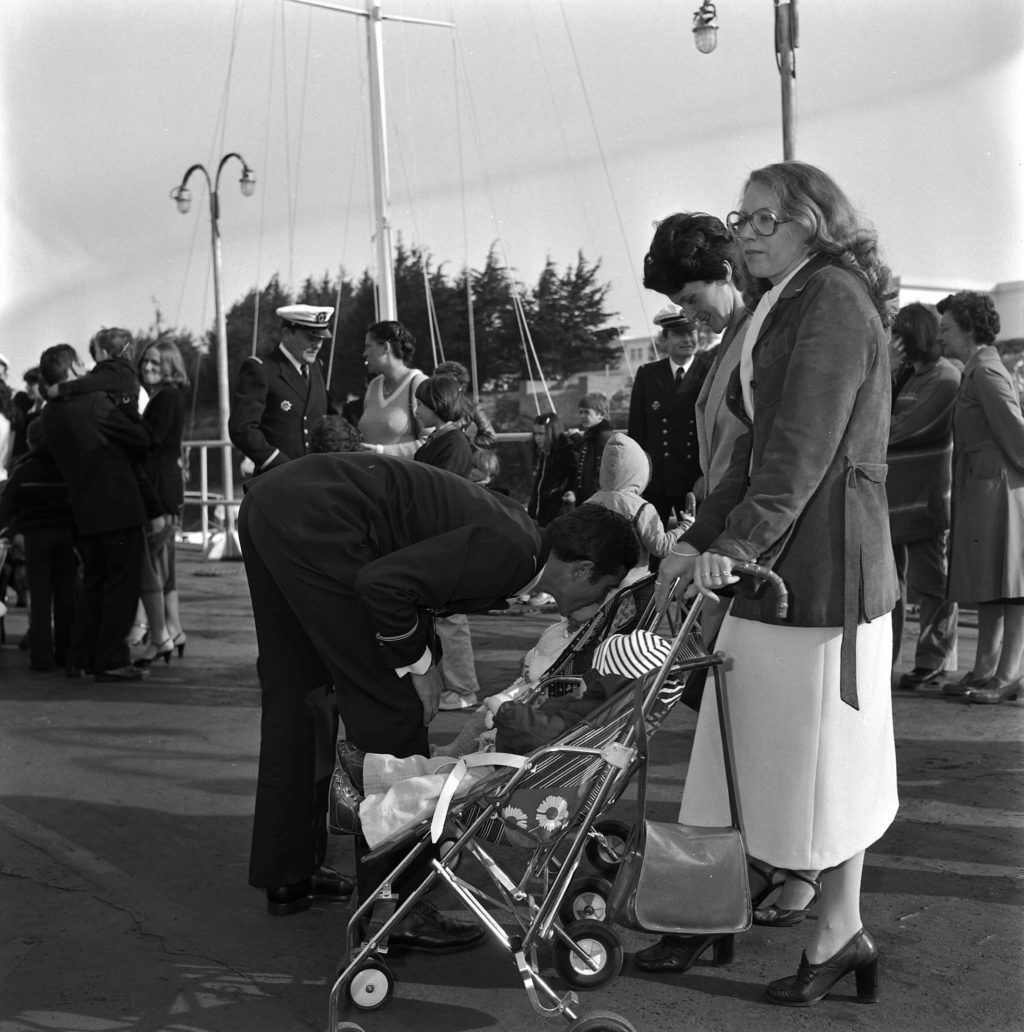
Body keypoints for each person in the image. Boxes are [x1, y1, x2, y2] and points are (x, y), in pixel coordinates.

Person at [650, 161, 898, 1007]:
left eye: (765, 218)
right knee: (744, 747)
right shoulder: (778, 300)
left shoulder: (831, 297)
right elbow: (754, 455)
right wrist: (698, 541)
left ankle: (839, 930)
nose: (746, 233)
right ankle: (716, 911)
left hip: (824, 572)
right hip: (776, 568)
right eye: (741, 218)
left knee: (826, 765)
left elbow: (801, 451)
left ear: (816, 221)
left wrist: (734, 546)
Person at [238, 452, 637, 946]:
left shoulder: (521, 537)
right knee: (393, 712)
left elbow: (415, 583)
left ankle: (289, 870)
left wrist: (420, 656)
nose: (602, 604)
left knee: (302, 695)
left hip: (277, 503)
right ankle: (394, 908)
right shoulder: (511, 554)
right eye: (607, 588)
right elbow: (383, 586)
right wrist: (421, 668)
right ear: (581, 570)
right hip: (320, 519)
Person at [331, 629, 673, 847]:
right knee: (438, 767)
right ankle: (371, 772)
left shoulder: (592, 714)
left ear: (606, 681)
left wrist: (506, 709)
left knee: (438, 786)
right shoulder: (606, 717)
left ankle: (365, 818)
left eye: (593, 674)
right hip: (524, 780)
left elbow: (543, 733)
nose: (585, 679)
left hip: (516, 795)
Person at [40, 342, 156, 683]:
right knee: (122, 586)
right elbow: (140, 439)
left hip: (83, 510)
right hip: (118, 507)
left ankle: (81, 657)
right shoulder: (93, 402)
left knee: (94, 585)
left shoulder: (49, 414)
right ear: (74, 368)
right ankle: (110, 659)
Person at [938, 291, 1024, 704]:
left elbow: (1018, 439)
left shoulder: (987, 374)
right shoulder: (978, 370)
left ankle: (1007, 674)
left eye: (948, 329)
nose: (941, 337)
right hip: (987, 493)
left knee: (1011, 586)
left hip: (1000, 495)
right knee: (993, 584)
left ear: (970, 330)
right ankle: (986, 668)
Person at [642, 211, 751, 502]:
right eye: (681, 306)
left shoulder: (758, 336)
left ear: (725, 273)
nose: (690, 315)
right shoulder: (734, 337)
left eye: (691, 299)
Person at [885, 303, 961, 691]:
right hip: (895, 502)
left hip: (925, 501)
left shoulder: (945, 379)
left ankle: (933, 659)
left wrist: (873, 428)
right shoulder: (910, 376)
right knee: (891, 587)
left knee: (934, 584)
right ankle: (889, 658)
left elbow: (903, 429)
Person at [412, 374, 480, 711]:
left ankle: (464, 688)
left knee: (450, 618)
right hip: (440, 539)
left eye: (421, 404)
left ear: (437, 406)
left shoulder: (452, 444)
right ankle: (454, 684)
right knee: (441, 617)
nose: (416, 410)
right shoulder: (441, 441)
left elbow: (442, 493)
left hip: (445, 540)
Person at [0, 420, 77, 671]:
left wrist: (13, 531)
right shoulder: (67, 468)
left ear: (31, 442)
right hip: (65, 535)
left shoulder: (24, 470)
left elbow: (6, 506)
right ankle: (66, 653)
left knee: (40, 598)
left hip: (35, 537)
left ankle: (42, 658)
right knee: (66, 596)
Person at [132, 339, 189, 667]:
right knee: (164, 566)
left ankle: (165, 635)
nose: (147, 368)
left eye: (155, 363)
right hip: (166, 486)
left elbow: (148, 442)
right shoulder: (167, 397)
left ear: (170, 365)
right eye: (145, 363)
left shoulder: (165, 398)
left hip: (158, 489)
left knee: (156, 566)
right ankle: (173, 630)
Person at [626, 306, 711, 525]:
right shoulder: (647, 374)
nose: (687, 339)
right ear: (666, 339)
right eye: (679, 334)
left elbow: (715, 429)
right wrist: (637, 478)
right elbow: (637, 430)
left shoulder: (710, 372)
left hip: (694, 480)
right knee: (652, 545)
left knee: (692, 543)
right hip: (657, 480)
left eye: (691, 333)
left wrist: (705, 474)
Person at [229, 304, 333, 475]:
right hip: (278, 481)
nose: (317, 345)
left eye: (321, 339)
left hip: (317, 479)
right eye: (311, 338)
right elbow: (242, 429)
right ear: (287, 333)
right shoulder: (261, 369)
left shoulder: (316, 368)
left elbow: (328, 415)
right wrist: (282, 467)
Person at [583, 431, 688, 581]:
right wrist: (685, 527)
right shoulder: (641, 508)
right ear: (639, 470)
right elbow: (661, 547)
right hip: (630, 583)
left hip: (595, 583)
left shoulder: (589, 502)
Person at [357, 320, 428, 456]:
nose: (364, 353)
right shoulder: (374, 386)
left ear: (385, 348)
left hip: (402, 475)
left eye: (368, 346)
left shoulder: (419, 384)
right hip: (371, 473)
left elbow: (430, 443)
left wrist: (381, 451)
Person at [412, 374, 474, 479]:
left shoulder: (454, 445)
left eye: (419, 404)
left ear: (435, 404)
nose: (416, 411)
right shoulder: (438, 439)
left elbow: (441, 487)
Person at [434, 359, 497, 448]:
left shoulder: (472, 408)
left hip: (463, 456)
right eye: (439, 385)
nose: (442, 389)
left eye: (446, 385)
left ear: (460, 386)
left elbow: (490, 437)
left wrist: (466, 442)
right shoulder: (433, 405)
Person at [565, 392, 614, 507]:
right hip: (587, 497)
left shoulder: (603, 437)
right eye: (580, 412)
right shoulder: (591, 435)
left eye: (587, 412)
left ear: (601, 414)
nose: (582, 416)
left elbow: (600, 469)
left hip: (596, 499)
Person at [527, 412, 575, 526]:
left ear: (552, 433)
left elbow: (574, 476)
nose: (537, 438)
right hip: (539, 514)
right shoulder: (543, 453)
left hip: (556, 514)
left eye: (541, 434)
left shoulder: (566, 453)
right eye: (535, 434)